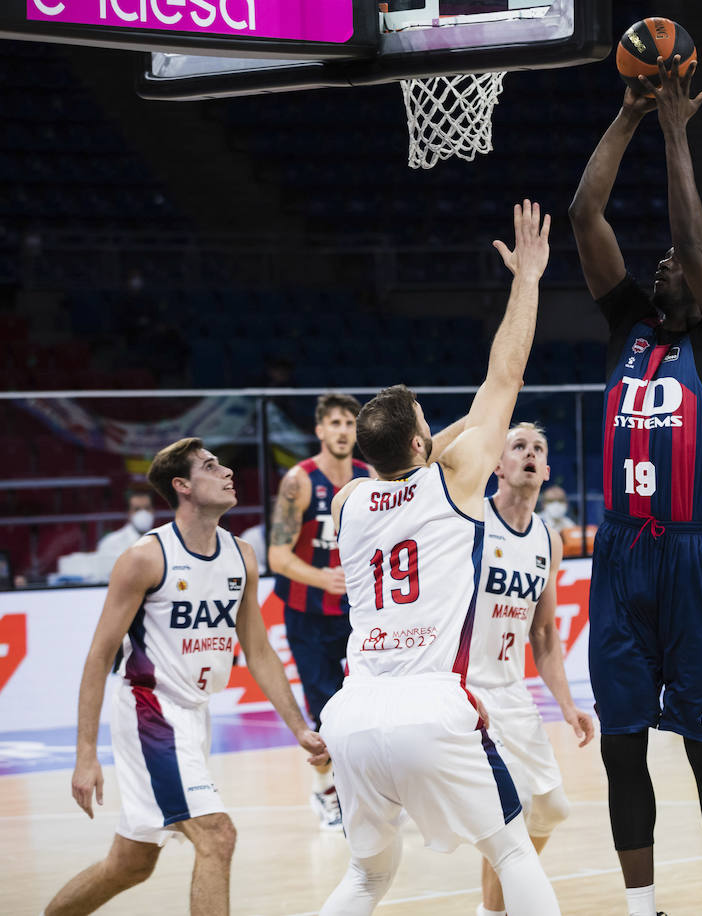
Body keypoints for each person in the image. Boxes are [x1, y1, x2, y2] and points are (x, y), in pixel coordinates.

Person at [317, 200, 560, 916]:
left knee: (365, 880)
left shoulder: (346, 504)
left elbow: (430, 446)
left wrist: (423, 440)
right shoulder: (451, 485)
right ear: (424, 446)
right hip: (432, 705)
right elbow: (503, 377)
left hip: (354, 713)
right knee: (513, 848)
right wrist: (529, 281)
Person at [569, 55, 702, 916]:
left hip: (690, 557)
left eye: (677, 265)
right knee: (622, 746)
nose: (661, 266)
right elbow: (584, 214)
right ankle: (643, 911)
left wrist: (680, 133)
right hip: (619, 555)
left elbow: (687, 236)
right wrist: (632, 116)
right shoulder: (626, 330)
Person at [44, 437, 328, 916]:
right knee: (217, 835)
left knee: (130, 864)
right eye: (211, 467)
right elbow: (98, 658)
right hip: (149, 712)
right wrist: (86, 755)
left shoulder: (241, 555)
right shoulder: (145, 558)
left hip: (195, 716)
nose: (226, 472)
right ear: (182, 486)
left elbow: (257, 650)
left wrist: (298, 727)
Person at [469, 422, 597, 916]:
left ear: (546, 470)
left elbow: (543, 633)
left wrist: (568, 706)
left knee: (551, 808)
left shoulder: (549, 538)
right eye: (517, 446)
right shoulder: (470, 521)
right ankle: (495, 911)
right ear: (497, 465)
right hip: (466, 689)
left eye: (537, 448)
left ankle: (496, 905)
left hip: (511, 689)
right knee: (508, 812)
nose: (528, 453)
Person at [267, 391, 372, 829]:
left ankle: (368, 791)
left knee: (369, 704)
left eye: (350, 423)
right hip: (308, 613)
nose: (343, 431)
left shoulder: (370, 478)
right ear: (319, 431)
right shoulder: (300, 480)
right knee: (325, 711)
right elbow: (277, 554)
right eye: (335, 423)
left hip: (360, 612)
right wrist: (321, 577)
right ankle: (326, 791)